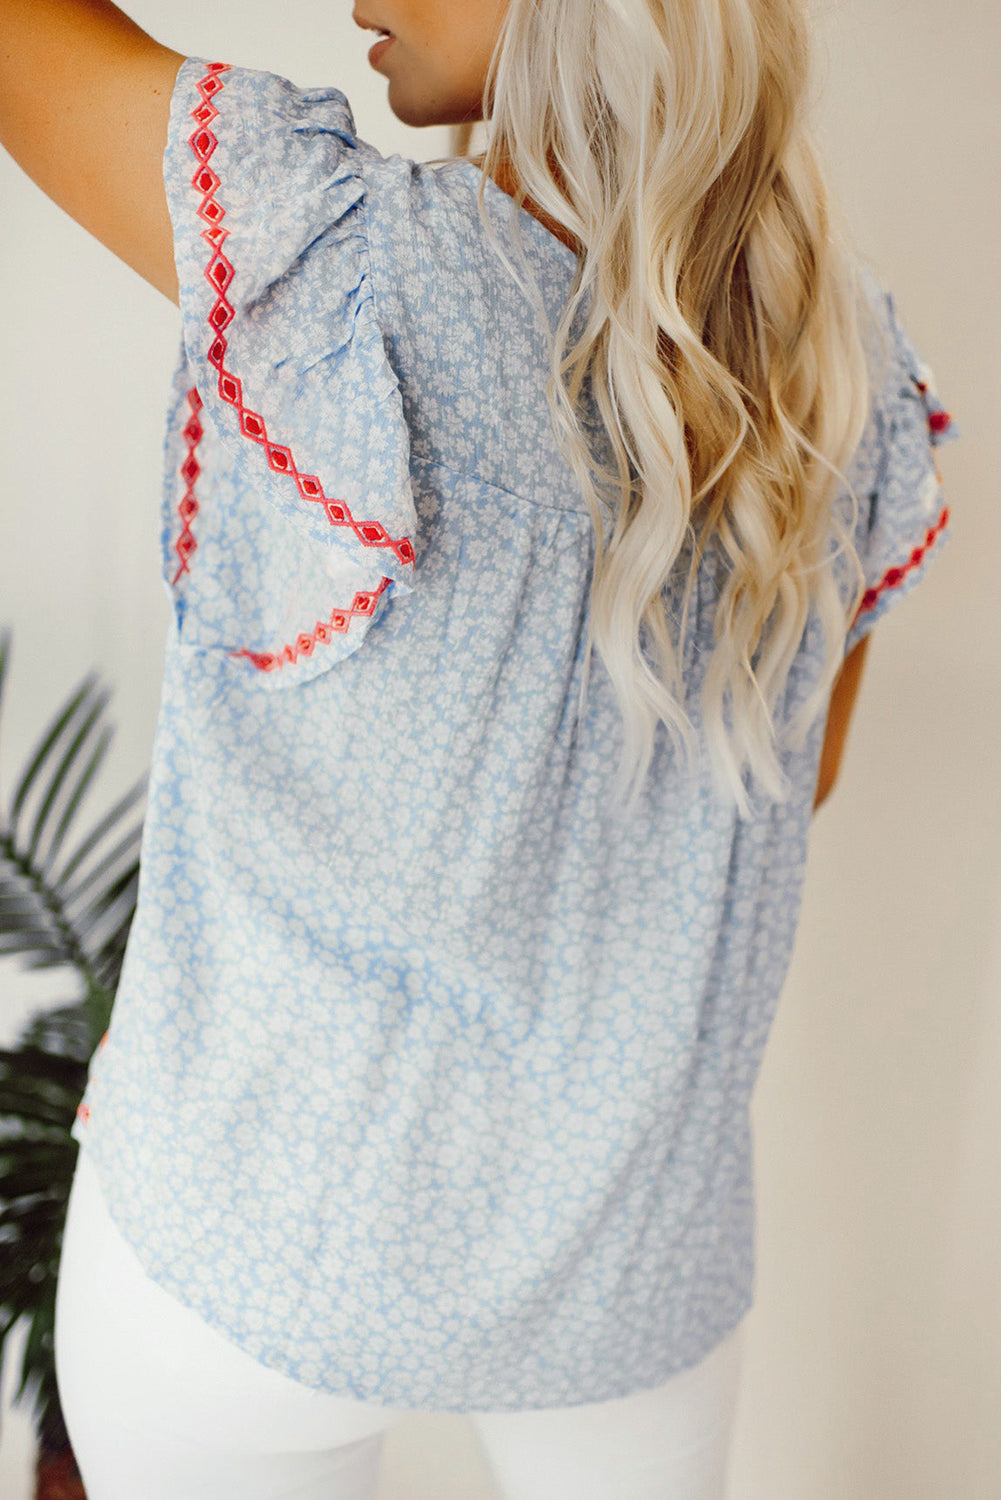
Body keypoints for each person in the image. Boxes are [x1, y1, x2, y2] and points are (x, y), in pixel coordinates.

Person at [1, 2, 959, 1497]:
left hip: (254, 1256)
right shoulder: (847, 378)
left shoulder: (324, 245)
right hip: (628, 1278)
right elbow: (793, 777)